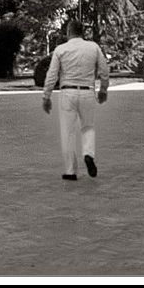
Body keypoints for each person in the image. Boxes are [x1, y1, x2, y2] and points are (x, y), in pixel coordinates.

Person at [41, 18, 110, 180]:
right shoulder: (93, 47)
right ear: (82, 32)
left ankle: (70, 171)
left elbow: (52, 75)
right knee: (88, 127)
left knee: (68, 132)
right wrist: (103, 89)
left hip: (67, 92)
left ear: (68, 32)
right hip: (87, 91)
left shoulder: (60, 50)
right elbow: (104, 70)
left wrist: (46, 96)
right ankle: (88, 154)